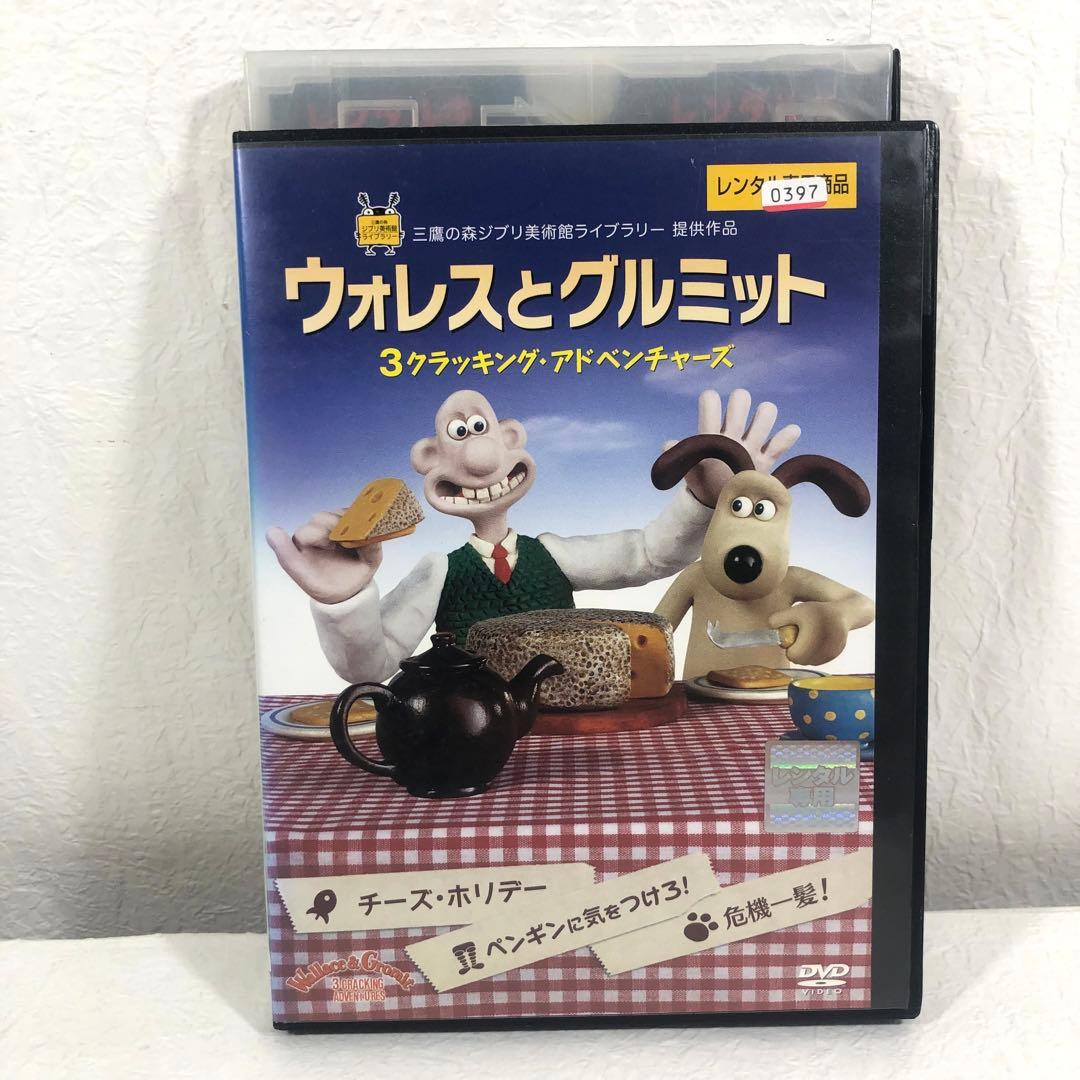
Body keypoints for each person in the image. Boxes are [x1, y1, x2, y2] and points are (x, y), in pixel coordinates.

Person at [267, 388, 800, 683]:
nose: (479, 459)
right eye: (460, 437)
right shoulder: (440, 571)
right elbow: (373, 666)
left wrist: (704, 501)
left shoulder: (554, 554)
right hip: (476, 725)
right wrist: (345, 605)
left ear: (510, 439)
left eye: (482, 432)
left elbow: (648, 555)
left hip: (569, 721)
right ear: (430, 461)